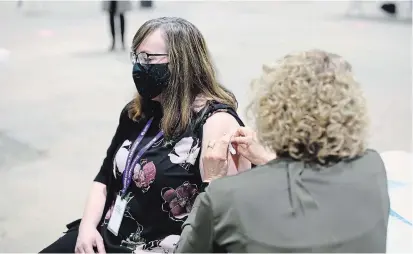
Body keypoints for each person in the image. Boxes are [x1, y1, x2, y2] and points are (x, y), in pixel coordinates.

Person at [39, 17, 250, 253]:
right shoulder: (137, 111)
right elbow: (104, 179)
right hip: (109, 232)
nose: (139, 67)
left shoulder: (215, 122)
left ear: (181, 63)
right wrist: (87, 228)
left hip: (166, 246)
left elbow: (227, 216)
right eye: (136, 57)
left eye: (148, 58)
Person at [175, 49, 390, 253]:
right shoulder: (372, 167)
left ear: (270, 113)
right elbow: (311, 211)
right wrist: (272, 160)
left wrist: (212, 181)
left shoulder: (226, 196)